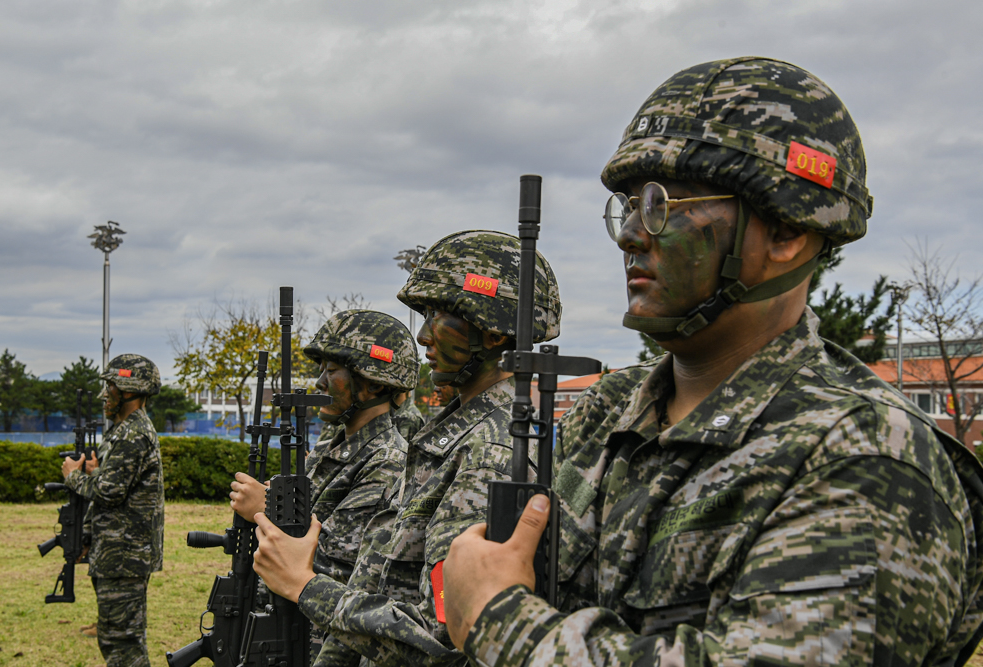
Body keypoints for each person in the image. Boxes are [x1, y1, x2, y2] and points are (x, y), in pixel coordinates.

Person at [443, 57, 983, 667]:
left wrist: (500, 619)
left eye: (660, 204)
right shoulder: (609, 414)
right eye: (627, 206)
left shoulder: (865, 459)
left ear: (784, 233)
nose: (629, 235)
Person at [251, 230, 562, 666]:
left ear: (492, 334)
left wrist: (305, 585)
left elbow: (445, 635)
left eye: (439, 314)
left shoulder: (492, 450)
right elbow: (377, 577)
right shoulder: (449, 434)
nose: (423, 337)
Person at [232, 309, 420, 658]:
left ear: (374, 383)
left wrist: (264, 511)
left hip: (320, 643)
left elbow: (334, 563)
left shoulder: (386, 461)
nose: (319, 382)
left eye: (332, 371)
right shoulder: (331, 444)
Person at [62, 354, 164, 667]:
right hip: (117, 553)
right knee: (116, 639)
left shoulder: (134, 433)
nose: (105, 394)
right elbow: (114, 485)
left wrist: (73, 476)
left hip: (125, 555)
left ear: (130, 390)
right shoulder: (124, 431)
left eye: (112, 386)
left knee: (123, 646)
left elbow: (109, 492)